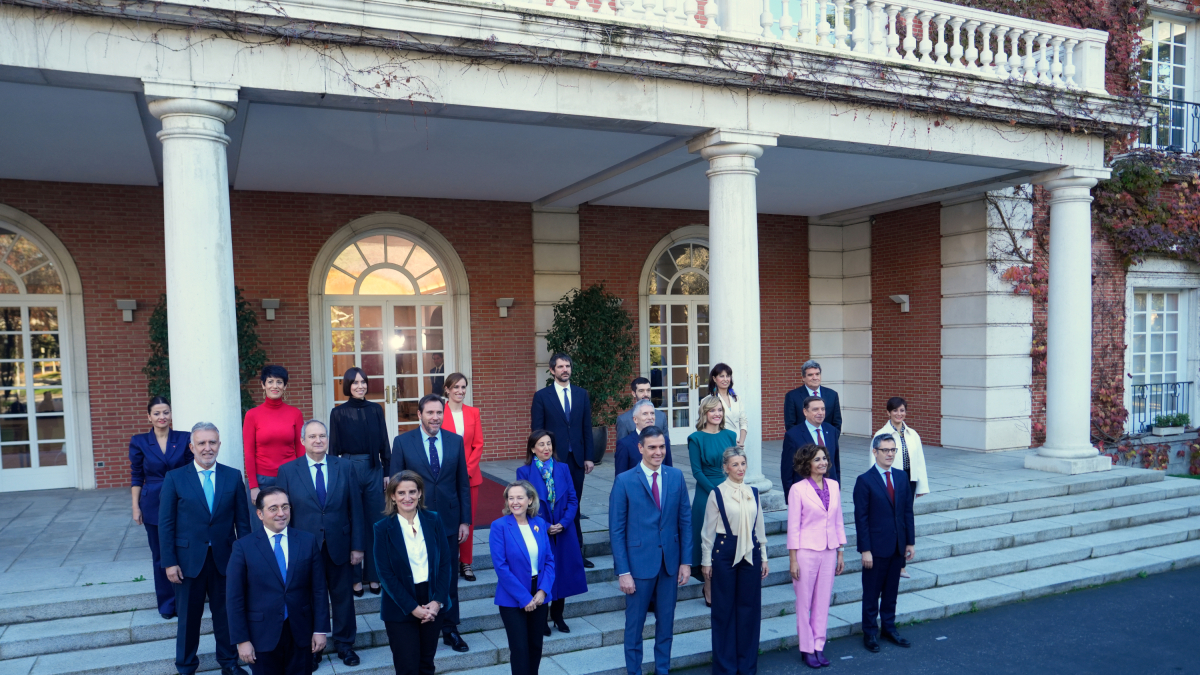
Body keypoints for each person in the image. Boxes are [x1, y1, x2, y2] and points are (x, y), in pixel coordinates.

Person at [158, 422, 252, 675]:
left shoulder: (233, 476)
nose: (207, 448)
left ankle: (229, 663)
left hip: (226, 559)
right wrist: (169, 562)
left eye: (212, 442)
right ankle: (186, 667)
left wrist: (248, 560)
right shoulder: (175, 478)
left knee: (226, 614)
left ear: (219, 445)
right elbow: (165, 524)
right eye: (202, 443)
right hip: (188, 562)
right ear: (192, 447)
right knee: (188, 619)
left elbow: (243, 523)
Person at [275, 420, 365, 668]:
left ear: (328, 440)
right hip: (303, 548)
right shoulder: (287, 471)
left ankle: (346, 645)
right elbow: (282, 513)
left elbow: (356, 509)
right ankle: (312, 648)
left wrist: (358, 546)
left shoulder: (345, 467)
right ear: (302, 441)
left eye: (322, 436)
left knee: (343, 596)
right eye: (312, 436)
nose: (318, 440)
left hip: (340, 544)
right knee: (309, 599)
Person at [389, 394, 472, 652]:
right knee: (417, 574)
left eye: (439, 413)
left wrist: (465, 521)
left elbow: (462, 485)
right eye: (430, 413)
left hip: (448, 521)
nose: (435, 417)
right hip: (414, 522)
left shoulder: (455, 442)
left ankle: (450, 629)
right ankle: (418, 620)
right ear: (419, 415)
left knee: (447, 579)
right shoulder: (402, 443)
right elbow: (395, 487)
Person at [609, 425, 692, 675]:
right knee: (634, 626)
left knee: (666, 624)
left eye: (662, 447)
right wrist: (623, 571)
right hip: (637, 566)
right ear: (640, 448)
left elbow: (685, 521)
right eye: (653, 447)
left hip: (669, 564)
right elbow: (616, 530)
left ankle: (662, 670)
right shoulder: (624, 481)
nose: (658, 452)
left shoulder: (675, 476)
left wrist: (686, 562)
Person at [226, 487, 331, 675]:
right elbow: (235, 598)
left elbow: (319, 590)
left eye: (285, 507)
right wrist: (242, 640)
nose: (281, 513)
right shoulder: (243, 547)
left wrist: (320, 629)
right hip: (261, 636)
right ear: (259, 514)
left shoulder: (307, 541)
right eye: (273, 508)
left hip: (301, 632)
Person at [375, 471, 452, 675]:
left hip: (432, 599)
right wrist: (412, 608)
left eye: (412, 492)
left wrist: (437, 602)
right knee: (407, 667)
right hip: (400, 604)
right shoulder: (382, 528)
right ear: (392, 496)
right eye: (401, 493)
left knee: (426, 664)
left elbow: (445, 563)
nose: (407, 497)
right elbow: (385, 574)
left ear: (420, 494)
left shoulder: (434, 520)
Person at [700, 448, 768, 675]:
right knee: (724, 611)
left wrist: (764, 557)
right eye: (735, 465)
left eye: (743, 463)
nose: (740, 469)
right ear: (726, 468)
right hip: (725, 551)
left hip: (751, 552)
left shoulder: (754, 493)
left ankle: (747, 666)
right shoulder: (717, 493)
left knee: (749, 610)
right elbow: (707, 530)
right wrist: (705, 561)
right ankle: (725, 668)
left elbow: (760, 528)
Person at [516, 431, 587, 634]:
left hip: (564, 531)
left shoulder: (563, 468)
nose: (546, 448)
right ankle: (542, 618)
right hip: (540, 530)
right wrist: (546, 525)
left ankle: (558, 616)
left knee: (562, 573)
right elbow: (524, 504)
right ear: (533, 449)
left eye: (549, 444)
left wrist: (563, 523)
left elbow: (573, 500)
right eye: (541, 444)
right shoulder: (524, 472)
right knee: (544, 573)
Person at [129, 396, 193, 620]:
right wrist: (135, 506)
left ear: (171, 414)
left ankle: (185, 601)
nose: (161, 417)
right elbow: (137, 476)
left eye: (165, 412)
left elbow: (190, 471)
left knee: (184, 551)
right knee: (160, 554)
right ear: (149, 417)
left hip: (181, 499)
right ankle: (167, 603)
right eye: (156, 413)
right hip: (153, 502)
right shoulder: (139, 442)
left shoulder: (184, 438)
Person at [328, 367, 390, 598]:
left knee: (375, 521)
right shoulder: (338, 413)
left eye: (363, 382)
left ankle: (373, 576)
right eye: (354, 383)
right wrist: (334, 476)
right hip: (348, 469)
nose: (360, 386)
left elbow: (384, 441)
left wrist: (387, 471)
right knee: (353, 521)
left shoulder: (376, 409)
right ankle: (354, 578)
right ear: (347, 386)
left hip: (374, 469)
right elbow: (333, 447)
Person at [530, 353, 595, 569]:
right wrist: (541, 455)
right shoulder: (542, 396)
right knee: (552, 505)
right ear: (552, 370)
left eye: (567, 366)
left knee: (573, 505)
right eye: (560, 367)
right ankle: (552, 551)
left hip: (576, 459)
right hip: (553, 459)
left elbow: (586, 427)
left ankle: (576, 551)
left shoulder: (581, 394)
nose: (565, 370)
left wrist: (589, 457)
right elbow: (537, 431)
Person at [854, 434, 915, 654]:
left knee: (891, 592)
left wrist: (910, 542)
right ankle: (869, 632)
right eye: (885, 450)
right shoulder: (865, 480)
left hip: (897, 546)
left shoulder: (901, 477)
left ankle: (889, 628)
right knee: (871, 593)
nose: (889, 454)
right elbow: (861, 518)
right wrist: (865, 550)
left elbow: (907, 511)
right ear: (875, 452)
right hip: (876, 548)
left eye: (893, 450)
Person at [787, 444, 846, 669]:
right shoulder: (798, 490)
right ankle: (806, 648)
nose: (822, 463)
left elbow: (838, 520)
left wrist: (840, 551)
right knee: (804, 603)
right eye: (817, 459)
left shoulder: (834, 485)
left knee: (822, 602)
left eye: (824, 458)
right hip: (806, 552)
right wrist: (792, 559)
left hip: (830, 550)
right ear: (807, 464)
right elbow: (793, 527)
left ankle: (819, 645)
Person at [491, 480, 556, 675]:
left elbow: (550, 562)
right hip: (512, 598)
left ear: (530, 500)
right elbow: (501, 567)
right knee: (520, 650)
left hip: (539, 595)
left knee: (536, 647)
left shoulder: (539, 523)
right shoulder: (499, 526)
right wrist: (524, 597)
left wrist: (543, 591)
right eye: (511, 498)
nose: (515, 502)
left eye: (520, 497)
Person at [872, 396, 930, 579]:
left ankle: (901, 565)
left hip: (908, 481)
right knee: (891, 520)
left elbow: (919, 461)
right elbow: (873, 461)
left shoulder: (912, 434)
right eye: (895, 410)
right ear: (888, 412)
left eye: (902, 410)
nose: (899, 414)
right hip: (889, 480)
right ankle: (888, 559)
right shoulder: (881, 434)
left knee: (904, 519)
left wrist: (921, 485)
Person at [687, 396, 736, 605]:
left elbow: (736, 464)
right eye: (712, 410)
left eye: (720, 410)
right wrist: (716, 492)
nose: (717, 414)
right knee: (708, 541)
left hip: (730, 491)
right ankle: (707, 587)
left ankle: (725, 586)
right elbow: (696, 472)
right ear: (704, 413)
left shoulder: (730, 435)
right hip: (706, 494)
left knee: (727, 542)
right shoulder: (695, 438)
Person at [441, 372, 484, 582]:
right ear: (447, 389)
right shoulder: (439, 412)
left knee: (468, 520)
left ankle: (466, 562)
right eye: (455, 387)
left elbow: (478, 444)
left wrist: (466, 470)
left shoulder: (473, 412)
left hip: (469, 476)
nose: (460, 391)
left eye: (463, 387)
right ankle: (445, 560)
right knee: (446, 518)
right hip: (445, 476)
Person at [244, 365, 305, 504]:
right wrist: (253, 486)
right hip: (262, 480)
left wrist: (302, 478)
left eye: (279, 382)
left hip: (291, 477)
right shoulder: (252, 415)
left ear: (285, 386)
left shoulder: (295, 414)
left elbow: (301, 450)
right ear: (263, 385)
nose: (275, 386)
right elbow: (249, 453)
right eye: (270, 381)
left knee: (291, 521)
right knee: (262, 523)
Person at [781, 396, 840, 504]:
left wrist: (837, 489)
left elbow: (835, 463)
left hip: (829, 489)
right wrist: (790, 498)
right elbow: (787, 469)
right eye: (815, 409)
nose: (820, 412)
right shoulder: (793, 435)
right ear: (805, 412)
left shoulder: (831, 431)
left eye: (823, 409)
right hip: (806, 492)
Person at [613, 400, 674, 475]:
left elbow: (669, 471)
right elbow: (620, 476)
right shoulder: (625, 444)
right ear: (635, 419)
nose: (650, 417)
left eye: (652, 413)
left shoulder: (664, 440)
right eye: (645, 414)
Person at [785, 360, 842, 432]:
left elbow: (837, 422)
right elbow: (790, 425)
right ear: (803, 378)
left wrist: (831, 439)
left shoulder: (832, 395)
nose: (815, 378)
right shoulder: (792, 396)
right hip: (804, 441)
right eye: (810, 375)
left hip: (826, 441)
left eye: (817, 374)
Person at [700, 364, 746, 449]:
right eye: (721, 376)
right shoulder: (707, 400)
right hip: (719, 443)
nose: (725, 379)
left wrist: (741, 442)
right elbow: (704, 425)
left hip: (738, 445)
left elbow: (743, 422)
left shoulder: (737, 399)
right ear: (714, 379)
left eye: (728, 376)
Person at [614, 377, 671, 447]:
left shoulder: (661, 416)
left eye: (648, 390)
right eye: (641, 391)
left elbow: (666, 446)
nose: (646, 394)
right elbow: (621, 449)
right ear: (634, 393)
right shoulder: (623, 420)